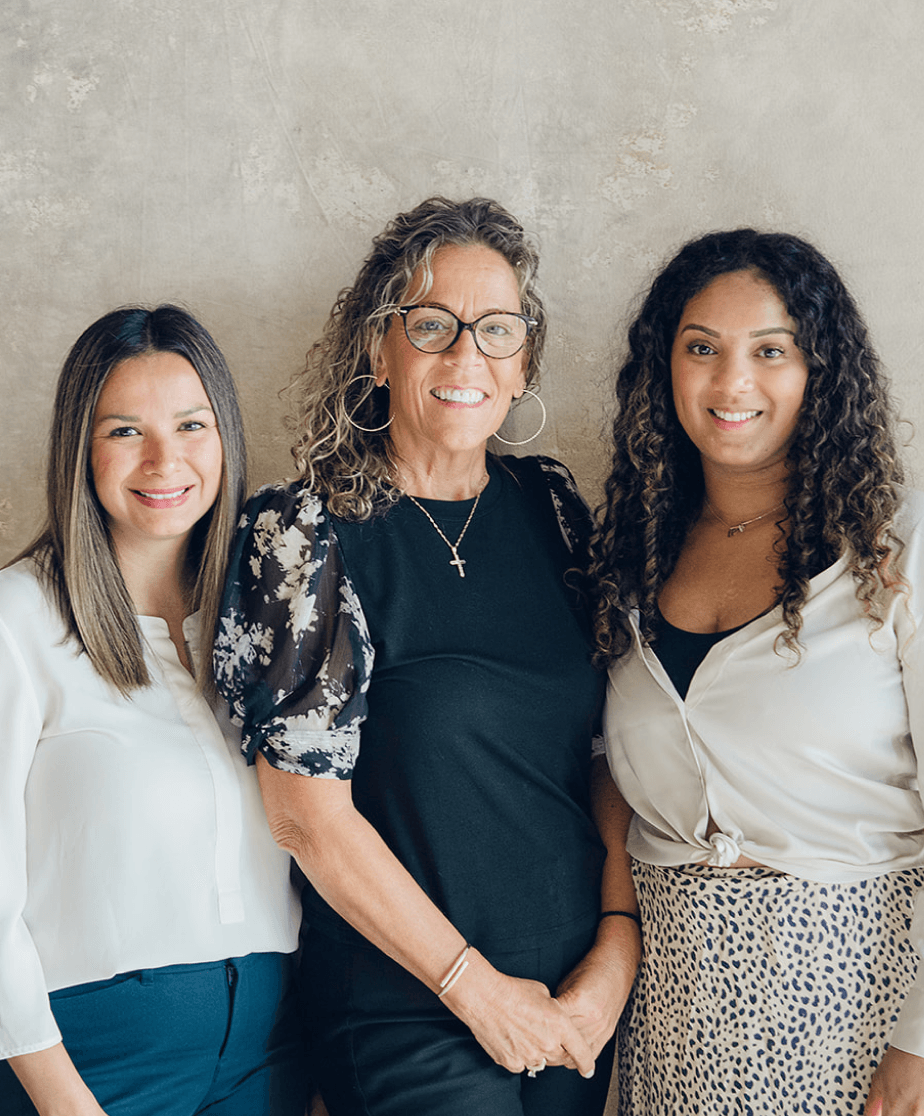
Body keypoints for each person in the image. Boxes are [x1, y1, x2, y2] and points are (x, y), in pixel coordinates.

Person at [214, 196, 639, 1116]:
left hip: (573, 1003)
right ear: (377, 348)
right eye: (431, 325)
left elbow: (603, 755)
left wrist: (616, 947)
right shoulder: (304, 534)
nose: (464, 357)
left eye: (496, 329)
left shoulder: (554, 512)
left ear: (523, 360)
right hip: (406, 1008)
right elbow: (305, 820)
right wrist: (474, 991)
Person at [591, 228, 924, 1115]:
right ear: (664, 366)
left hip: (862, 1001)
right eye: (701, 348)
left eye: (771, 351)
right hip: (678, 1012)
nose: (731, 383)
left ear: (819, 371)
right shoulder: (629, 554)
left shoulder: (904, 543)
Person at [0, 306, 305, 1116]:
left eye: (191, 424)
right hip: (92, 1063)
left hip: (268, 1058)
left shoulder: (270, 622)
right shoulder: (18, 619)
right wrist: (61, 1099)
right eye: (126, 430)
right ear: (81, 450)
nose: (165, 459)